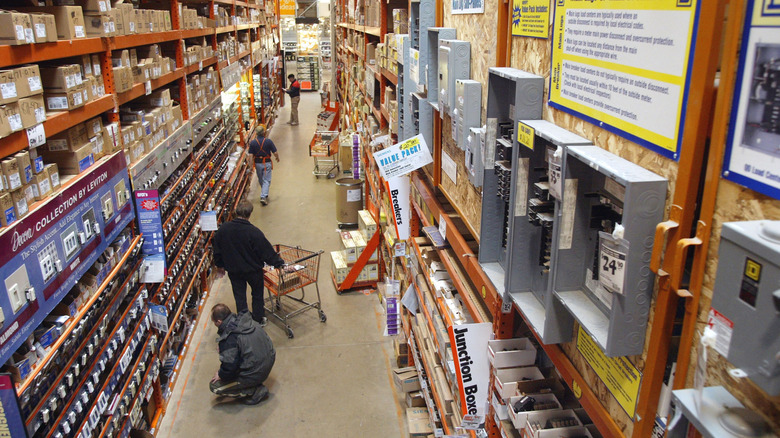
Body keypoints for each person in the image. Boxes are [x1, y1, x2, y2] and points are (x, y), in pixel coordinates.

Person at [213, 200, 285, 324]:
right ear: (250, 214)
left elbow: (217, 248)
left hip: (234, 270)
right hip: (253, 271)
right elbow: (266, 251)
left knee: (239, 295)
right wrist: (278, 263)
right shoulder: (253, 232)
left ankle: (244, 321)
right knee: (257, 294)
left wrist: (220, 265)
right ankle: (258, 319)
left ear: (236, 212)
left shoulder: (224, 229)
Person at [209, 304, 276, 405]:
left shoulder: (229, 339)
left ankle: (254, 390)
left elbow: (229, 369)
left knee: (215, 387)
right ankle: (254, 381)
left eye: (214, 322)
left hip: (256, 373)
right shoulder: (248, 321)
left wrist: (220, 374)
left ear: (219, 322)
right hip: (269, 360)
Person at [248, 125, 279, 205]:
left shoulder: (253, 143)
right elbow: (275, 152)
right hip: (266, 162)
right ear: (264, 132)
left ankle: (264, 192)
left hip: (257, 163)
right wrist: (277, 158)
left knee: (261, 179)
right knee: (266, 180)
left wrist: (251, 165)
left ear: (256, 133)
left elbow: (251, 155)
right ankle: (263, 196)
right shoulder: (268, 141)